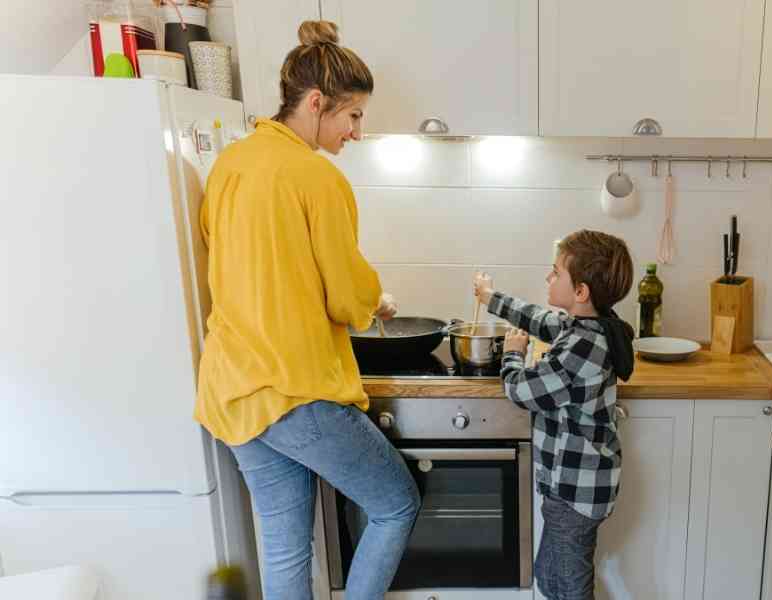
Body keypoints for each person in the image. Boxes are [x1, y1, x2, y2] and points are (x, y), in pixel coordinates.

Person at [194, 20, 420, 600]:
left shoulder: (229, 165)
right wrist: (374, 300)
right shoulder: (317, 176)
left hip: (233, 388)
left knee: (284, 542)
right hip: (296, 389)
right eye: (353, 116)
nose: (357, 131)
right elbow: (347, 295)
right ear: (316, 103)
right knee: (396, 504)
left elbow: (236, 258)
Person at [473, 230, 635, 600]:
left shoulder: (582, 346)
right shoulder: (588, 326)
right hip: (571, 489)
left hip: (574, 494)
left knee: (570, 589)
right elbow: (541, 320)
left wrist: (512, 353)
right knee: (550, 580)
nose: (548, 277)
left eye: (555, 272)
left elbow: (520, 390)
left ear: (580, 292)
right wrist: (491, 298)